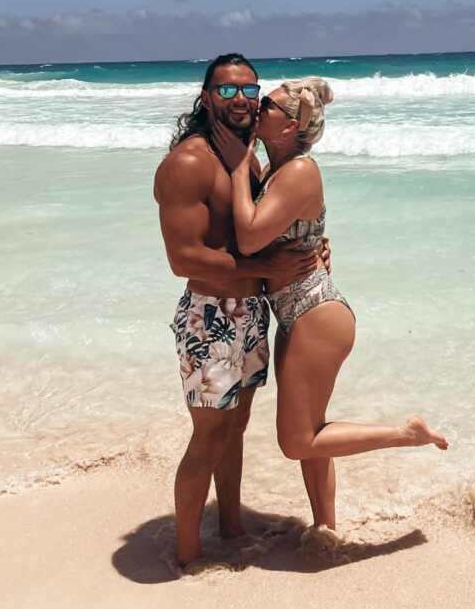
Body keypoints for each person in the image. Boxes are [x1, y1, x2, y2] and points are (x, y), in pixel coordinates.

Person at [211, 76, 447, 536]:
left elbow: (249, 235)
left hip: (316, 312)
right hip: (298, 313)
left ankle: (406, 435)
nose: (261, 109)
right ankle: (326, 530)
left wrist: (240, 166)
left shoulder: (299, 170)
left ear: (291, 126)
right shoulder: (278, 169)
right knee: (313, 432)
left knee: (296, 441)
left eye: (273, 107)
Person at [154, 55, 321, 566]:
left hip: (251, 312)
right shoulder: (189, 163)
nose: (243, 100)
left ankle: (230, 528)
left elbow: (272, 225)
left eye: (251, 90)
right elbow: (182, 258)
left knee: (236, 428)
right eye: (228, 92)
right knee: (209, 435)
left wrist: (314, 247)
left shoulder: (247, 158)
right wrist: (266, 261)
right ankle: (186, 557)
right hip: (212, 315)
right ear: (206, 99)